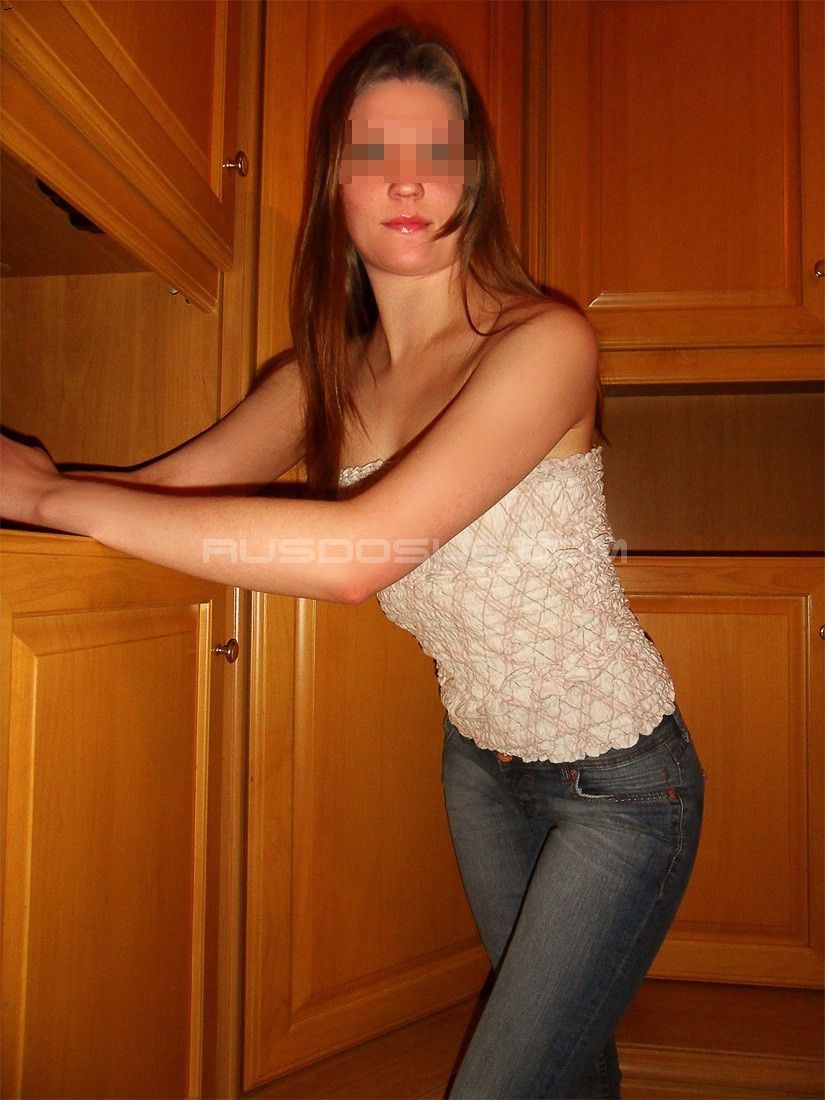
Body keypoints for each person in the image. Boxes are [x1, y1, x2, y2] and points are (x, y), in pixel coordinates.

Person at [0, 24, 705, 1100]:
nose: (407, 181)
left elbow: (355, 557)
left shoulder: (543, 343)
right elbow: (165, 491)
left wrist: (50, 496)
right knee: (564, 1074)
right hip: (480, 772)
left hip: (623, 789)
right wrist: (46, 484)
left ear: (476, 177)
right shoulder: (321, 378)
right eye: (375, 152)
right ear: (335, 181)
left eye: (437, 152)